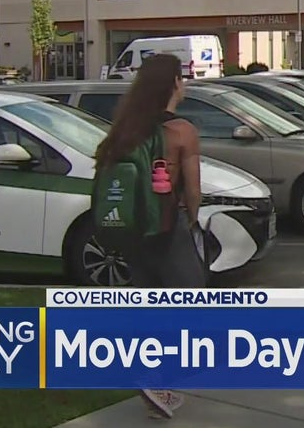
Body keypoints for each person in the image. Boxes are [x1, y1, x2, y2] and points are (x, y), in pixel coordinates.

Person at [93, 53, 204, 419]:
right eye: (182, 78)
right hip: (167, 226)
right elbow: (193, 191)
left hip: (132, 230)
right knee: (188, 301)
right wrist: (193, 219)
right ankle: (157, 378)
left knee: (148, 300)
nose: (184, 84)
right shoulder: (181, 131)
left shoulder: (126, 127)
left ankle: (151, 375)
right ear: (173, 83)